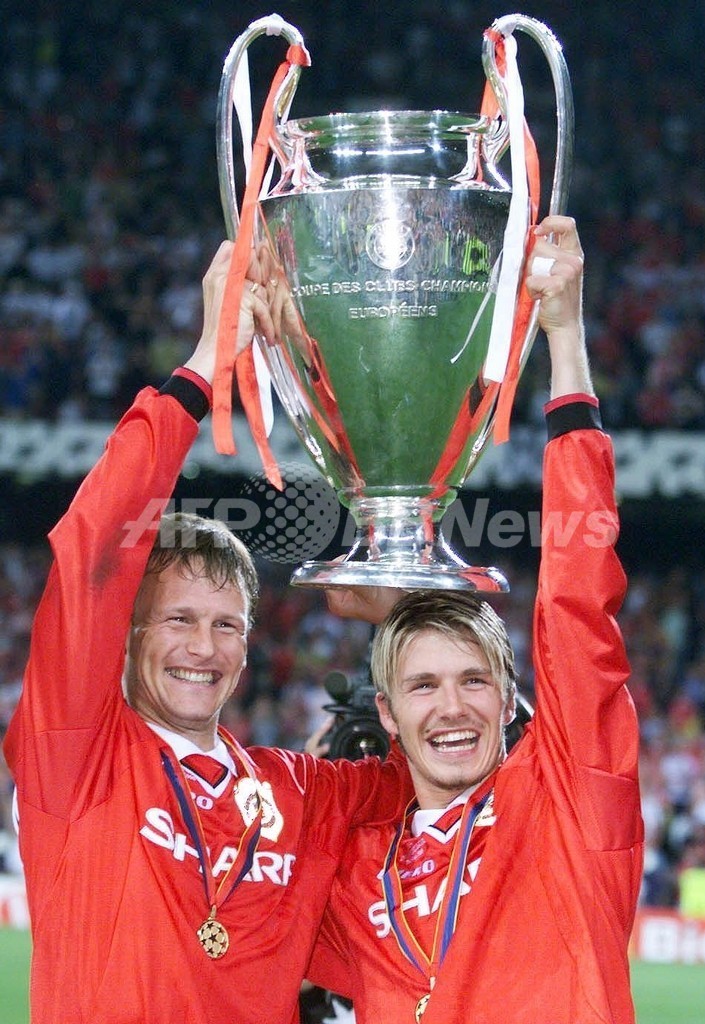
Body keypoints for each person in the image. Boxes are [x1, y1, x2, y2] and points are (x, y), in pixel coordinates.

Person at [2, 240, 413, 1024]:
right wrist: (202, 367)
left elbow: (445, 772)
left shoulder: (299, 793)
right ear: (127, 634)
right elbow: (95, 544)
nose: (204, 647)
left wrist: (405, 617)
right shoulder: (77, 755)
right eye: (179, 619)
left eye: (227, 625)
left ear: (249, 645)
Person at [306, 215, 645, 1024]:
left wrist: (565, 341)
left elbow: (579, 604)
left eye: (473, 680)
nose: (452, 707)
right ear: (387, 713)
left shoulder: (565, 810)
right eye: (423, 686)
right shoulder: (355, 874)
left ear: (508, 696)